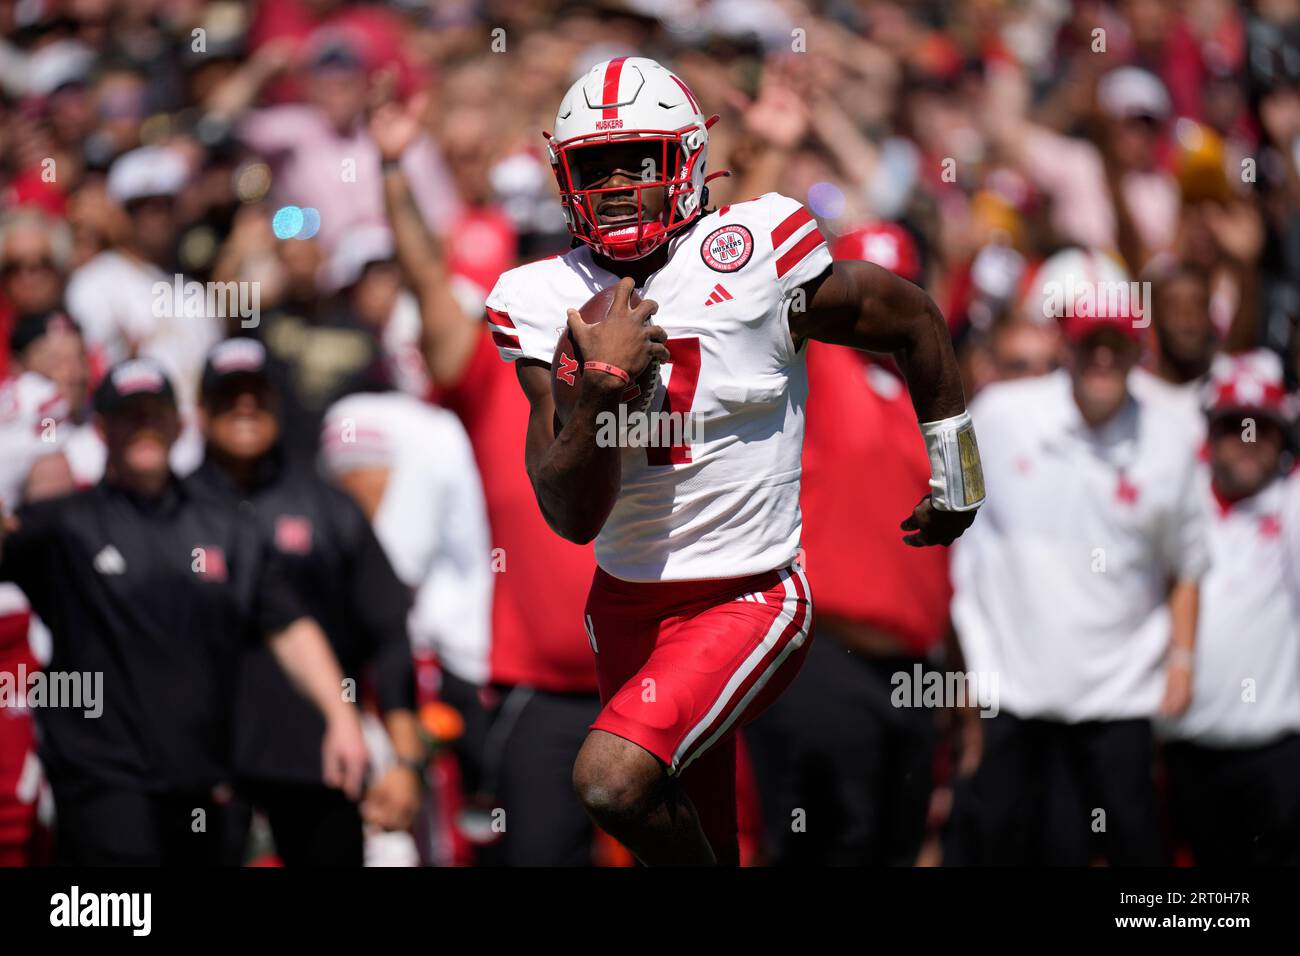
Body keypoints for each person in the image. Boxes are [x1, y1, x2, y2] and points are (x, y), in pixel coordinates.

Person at [491, 56, 981, 866]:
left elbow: (913, 318)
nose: (614, 184)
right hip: (624, 609)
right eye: (593, 166)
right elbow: (570, 516)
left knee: (611, 782)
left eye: (637, 161)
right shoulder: (539, 297)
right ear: (562, 175)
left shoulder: (754, 250)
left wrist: (956, 471)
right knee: (699, 835)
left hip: (749, 594)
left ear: (684, 161)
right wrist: (605, 392)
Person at [0, 357, 368, 865]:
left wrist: (340, 715)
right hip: (103, 782)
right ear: (102, 429)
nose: (143, 428)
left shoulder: (225, 526)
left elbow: (288, 625)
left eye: (154, 414)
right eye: (128, 415)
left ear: (178, 423)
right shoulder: (65, 526)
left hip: (204, 784)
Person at [373, 99, 607, 866]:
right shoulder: (493, 371)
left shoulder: (642, 363)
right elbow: (428, 284)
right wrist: (393, 169)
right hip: (537, 691)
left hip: (654, 677)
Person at [947, 292, 1206, 866]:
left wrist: (1183, 661)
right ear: (1068, 345)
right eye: (1092, 344)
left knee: (1132, 858)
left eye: (1118, 346)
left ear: (1138, 352)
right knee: (1000, 845)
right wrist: (966, 668)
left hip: (1121, 695)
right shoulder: (1001, 416)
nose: (1103, 360)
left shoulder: (1170, 440)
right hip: (1011, 689)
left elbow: (1187, 562)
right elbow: (962, 535)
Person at [744, 225, 954, 866]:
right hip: (823, 658)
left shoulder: (931, 388)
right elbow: (754, 293)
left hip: (913, 671)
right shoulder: (811, 369)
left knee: (895, 847)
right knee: (823, 848)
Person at [188, 338, 422, 866]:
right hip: (203, 761)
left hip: (320, 757)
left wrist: (406, 761)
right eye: (229, 395)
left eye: (257, 394)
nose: (245, 407)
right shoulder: (171, 508)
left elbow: (388, 630)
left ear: (279, 403)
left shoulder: (328, 506)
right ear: (201, 410)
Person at [1160, 350, 1300, 865]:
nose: (1248, 441)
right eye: (1233, 426)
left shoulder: (1291, 506)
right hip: (1181, 759)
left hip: (1277, 762)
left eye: (1262, 427)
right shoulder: (1177, 504)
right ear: (1209, 433)